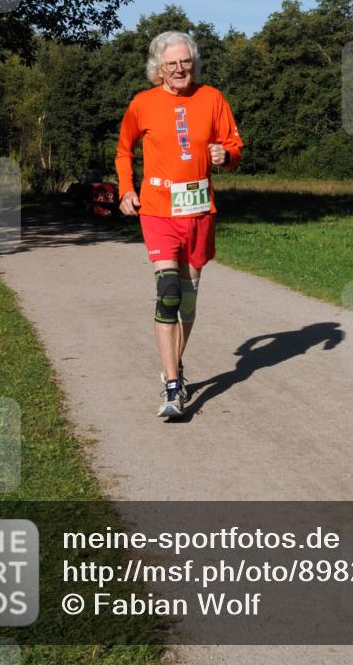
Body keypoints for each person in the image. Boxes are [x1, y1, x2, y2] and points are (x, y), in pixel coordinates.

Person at [116, 31, 244, 419]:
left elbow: (234, 147)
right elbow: (124, 151)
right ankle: (173, 386)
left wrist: (226, 156)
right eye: (171, 63)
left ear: (194, 63)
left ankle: (174, 365)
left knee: (187, 302)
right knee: (168, 292)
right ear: (159, 68)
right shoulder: (142, 103)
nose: (178, 69)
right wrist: (125, 189)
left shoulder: (212, 98)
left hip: (200, 212)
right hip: (157, 209)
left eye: (184, 62)